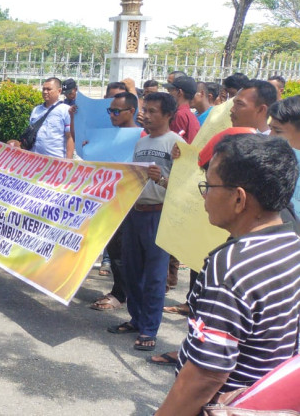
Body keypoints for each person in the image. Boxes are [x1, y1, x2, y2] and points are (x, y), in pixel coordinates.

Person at [157, 133, 300, 414]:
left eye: (209, 185)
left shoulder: (231, 268)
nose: (205, 195)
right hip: (267, 401)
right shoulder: (290, 241)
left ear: (238, 198)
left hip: (229, 405)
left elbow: (206, 375)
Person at [107, 92, 184, 352]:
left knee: (154, 276)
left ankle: (150, 329)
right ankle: (136, 318)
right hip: (135, 213)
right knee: (131, 270)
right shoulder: (141, 143)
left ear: (168, 115)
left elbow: (184, 189)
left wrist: (161, 179)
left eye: (152, 111)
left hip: (159, 215)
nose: (146, 116)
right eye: (145, 110)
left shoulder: (177, 144)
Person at [89, 92, 139, 312]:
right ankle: (122, 290)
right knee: (114, 248)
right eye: (110, 111)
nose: (112, 115)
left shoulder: (141, 137)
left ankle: (122, 293)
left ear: (132, 111)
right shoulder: (109, 135)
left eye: (117, 111)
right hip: (108, 201)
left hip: (129, 203)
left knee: (122, 252)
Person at [10, 77, 74, 158]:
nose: (45, 92)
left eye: (48, 89)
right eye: (43, 89)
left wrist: (68, 161)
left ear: (59, 91)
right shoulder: (36, 110)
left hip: (55, 161)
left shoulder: (66, 110)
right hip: (34, 160)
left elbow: (70, 137)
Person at [163, 75, 201, 144]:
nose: (170, 93)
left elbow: (173, 143)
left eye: (172, 90)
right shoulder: (190, 115)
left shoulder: (180, 115)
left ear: (180, 92)